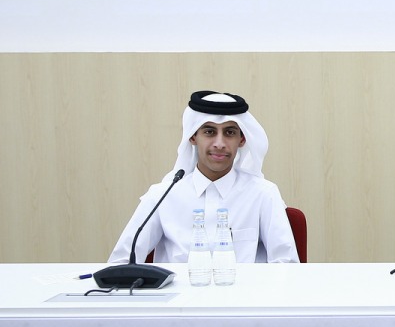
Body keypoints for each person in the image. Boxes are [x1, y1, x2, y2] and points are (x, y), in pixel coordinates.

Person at [108, 90, 298, 264]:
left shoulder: (263, 194)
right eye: (209, 132)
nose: (219, 143)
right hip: (179, 300)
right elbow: (122, 262)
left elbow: (287, 265)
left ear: (241, 140)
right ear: (192, 137)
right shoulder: (163, 195)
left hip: (242, 300)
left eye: (230, 133)